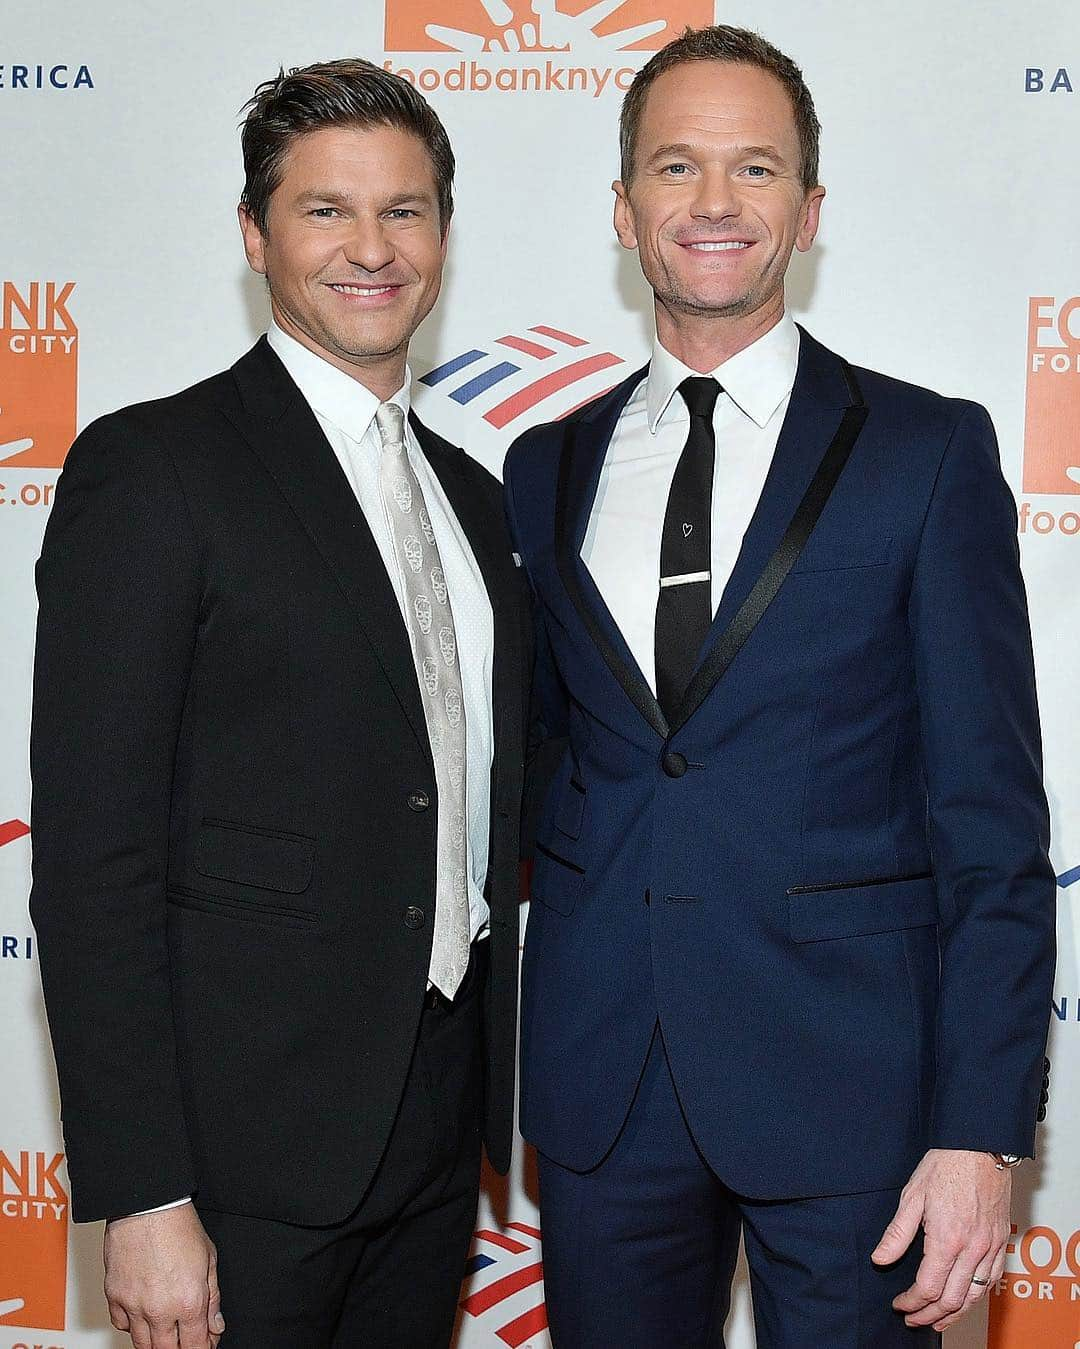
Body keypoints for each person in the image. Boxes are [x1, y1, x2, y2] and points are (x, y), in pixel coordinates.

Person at [503, 24, 1054, 1347]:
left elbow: (989, 823)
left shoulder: (927, 453)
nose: (712, 204)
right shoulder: (541, 467)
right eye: (676, 166)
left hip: (854, 1098)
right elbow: (542, 768)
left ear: (809, 210)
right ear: (625, 205)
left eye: (755, 170)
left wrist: (980, 1131)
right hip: (603, 1093)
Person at [30, 58, 528, 1349]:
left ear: (442, 236)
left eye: (405, 212)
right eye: (327, 211)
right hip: (236, 1168)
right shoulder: (153, 469)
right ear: (255, 237)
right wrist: (141, 1192)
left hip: (433, 1138)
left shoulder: (472, 499)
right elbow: (94, 859)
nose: (373, 248)